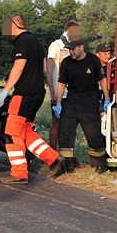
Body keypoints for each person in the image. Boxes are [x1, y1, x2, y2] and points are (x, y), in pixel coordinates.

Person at [0, 14, 64, 184]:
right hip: (37, 94)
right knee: (25, 131)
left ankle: (19, 173)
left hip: (23, 94)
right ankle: (54, 159)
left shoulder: (21, 42)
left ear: (14, 25)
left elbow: (19, 67)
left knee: (11, 133)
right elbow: (44, 69)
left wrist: (5, 90)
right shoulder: (36, 42)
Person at [53, 39, 111, 173]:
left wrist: (106, 99)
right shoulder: (67, 62)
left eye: (73, 49)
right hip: (72, 99)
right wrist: (59, 102)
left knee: (93, 135)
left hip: (90, 99)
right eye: (69, 49)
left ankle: (99, 165)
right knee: (65, 132)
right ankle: (67, 165)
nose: (71, 52)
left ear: (81, 47)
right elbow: (62, 83)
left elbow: (102, 79)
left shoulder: (93, 60)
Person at [46, 21, 81, 150]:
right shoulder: (55, 45)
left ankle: (68, 156)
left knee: (71, 124)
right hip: (58, 92)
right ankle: (53, 154)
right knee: (56, 122)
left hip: (72, 92)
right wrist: (52, 92)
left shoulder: (75, 46)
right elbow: (48, 70)